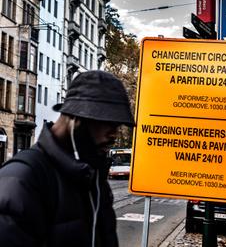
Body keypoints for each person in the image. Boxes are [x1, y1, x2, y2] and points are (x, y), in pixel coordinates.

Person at [0, 70, 135, 247]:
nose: (114, 134)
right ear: (75, 118)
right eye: (108, 122)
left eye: (117, 126)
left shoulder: (94, 178)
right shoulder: (23, 180)